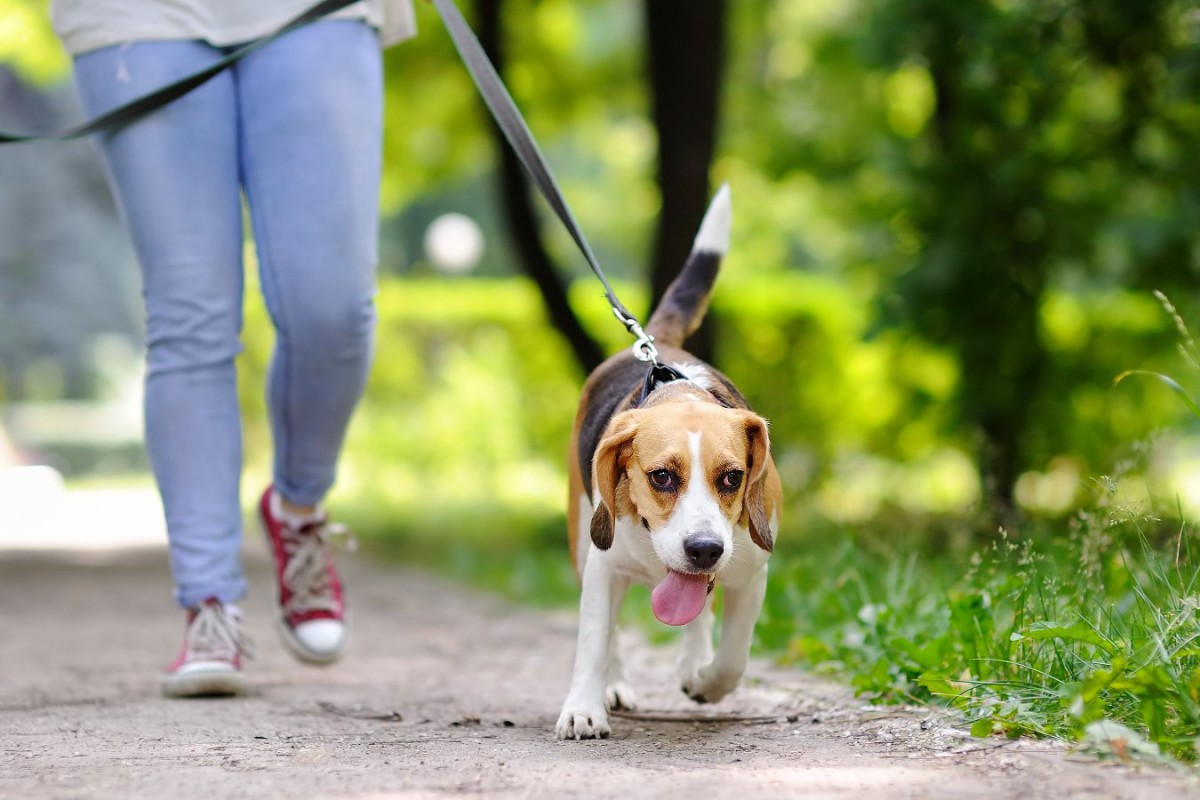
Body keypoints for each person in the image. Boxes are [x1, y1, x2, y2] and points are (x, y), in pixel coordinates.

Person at [49, 0, 416, 697]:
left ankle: (297, 510)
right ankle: (208, 602)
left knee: (332, 308)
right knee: (188, 315)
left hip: (314, 11)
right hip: (137, 15)